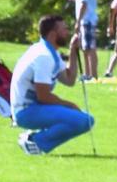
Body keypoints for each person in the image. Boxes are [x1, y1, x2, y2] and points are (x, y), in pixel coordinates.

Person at [11, 15, 94, 155]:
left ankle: (35, 140)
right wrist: (69, 105)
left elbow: (69, 80)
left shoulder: (49, 52)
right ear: (52, 34)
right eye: (64, 29)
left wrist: (73, 50)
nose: (67, 32)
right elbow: (43, 96)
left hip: (33, 107)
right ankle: (34, 141)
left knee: (85, 120)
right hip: (26, 111)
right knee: (84, 120)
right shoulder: (44, 56)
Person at [70, 0, 99, 81]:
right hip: (88, 18)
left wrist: (78, 21)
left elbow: (84, 4)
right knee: (85, 47)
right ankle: (88, 74)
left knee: (89, 48)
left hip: (86, 20)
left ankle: (92, 74)